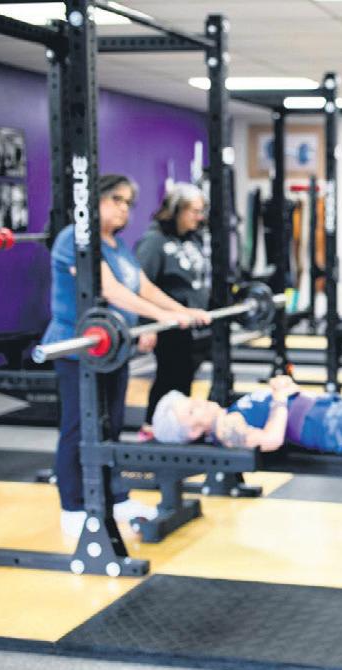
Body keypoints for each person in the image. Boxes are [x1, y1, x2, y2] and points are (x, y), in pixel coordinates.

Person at [41, 174, 212, 537]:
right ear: (95, 200)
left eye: (128, 203)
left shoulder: (116, 245)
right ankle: (73, 506)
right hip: (77, 349)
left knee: (112, 426)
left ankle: (115, 498)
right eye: (116, 199)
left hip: (111, 350)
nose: (124, 209)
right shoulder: (74, 238)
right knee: (78, 427)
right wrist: (164, 317)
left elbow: (143, 286)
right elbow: (110, 290)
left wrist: (182, 310)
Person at [150, 376, 342, 568]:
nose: (199, 403)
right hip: (330, 428)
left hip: (333, 410)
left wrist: (287, 389)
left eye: (191, 402)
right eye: (191, 411)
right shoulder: (226, 426)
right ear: (193, 432)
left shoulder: (231, 411)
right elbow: (271, 439)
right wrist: (280, 399)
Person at [135, 183, 210, 433]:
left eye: (201, 211)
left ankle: (177, 430)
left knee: (184, 378)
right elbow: (141, 285)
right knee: (169, 377)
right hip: (167, 325)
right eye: (194, 211)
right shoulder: (154, 241)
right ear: (177, 210)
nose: (199, 217)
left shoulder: (192, 238)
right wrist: (147, 326)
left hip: (191, 324)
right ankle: (151, 428)